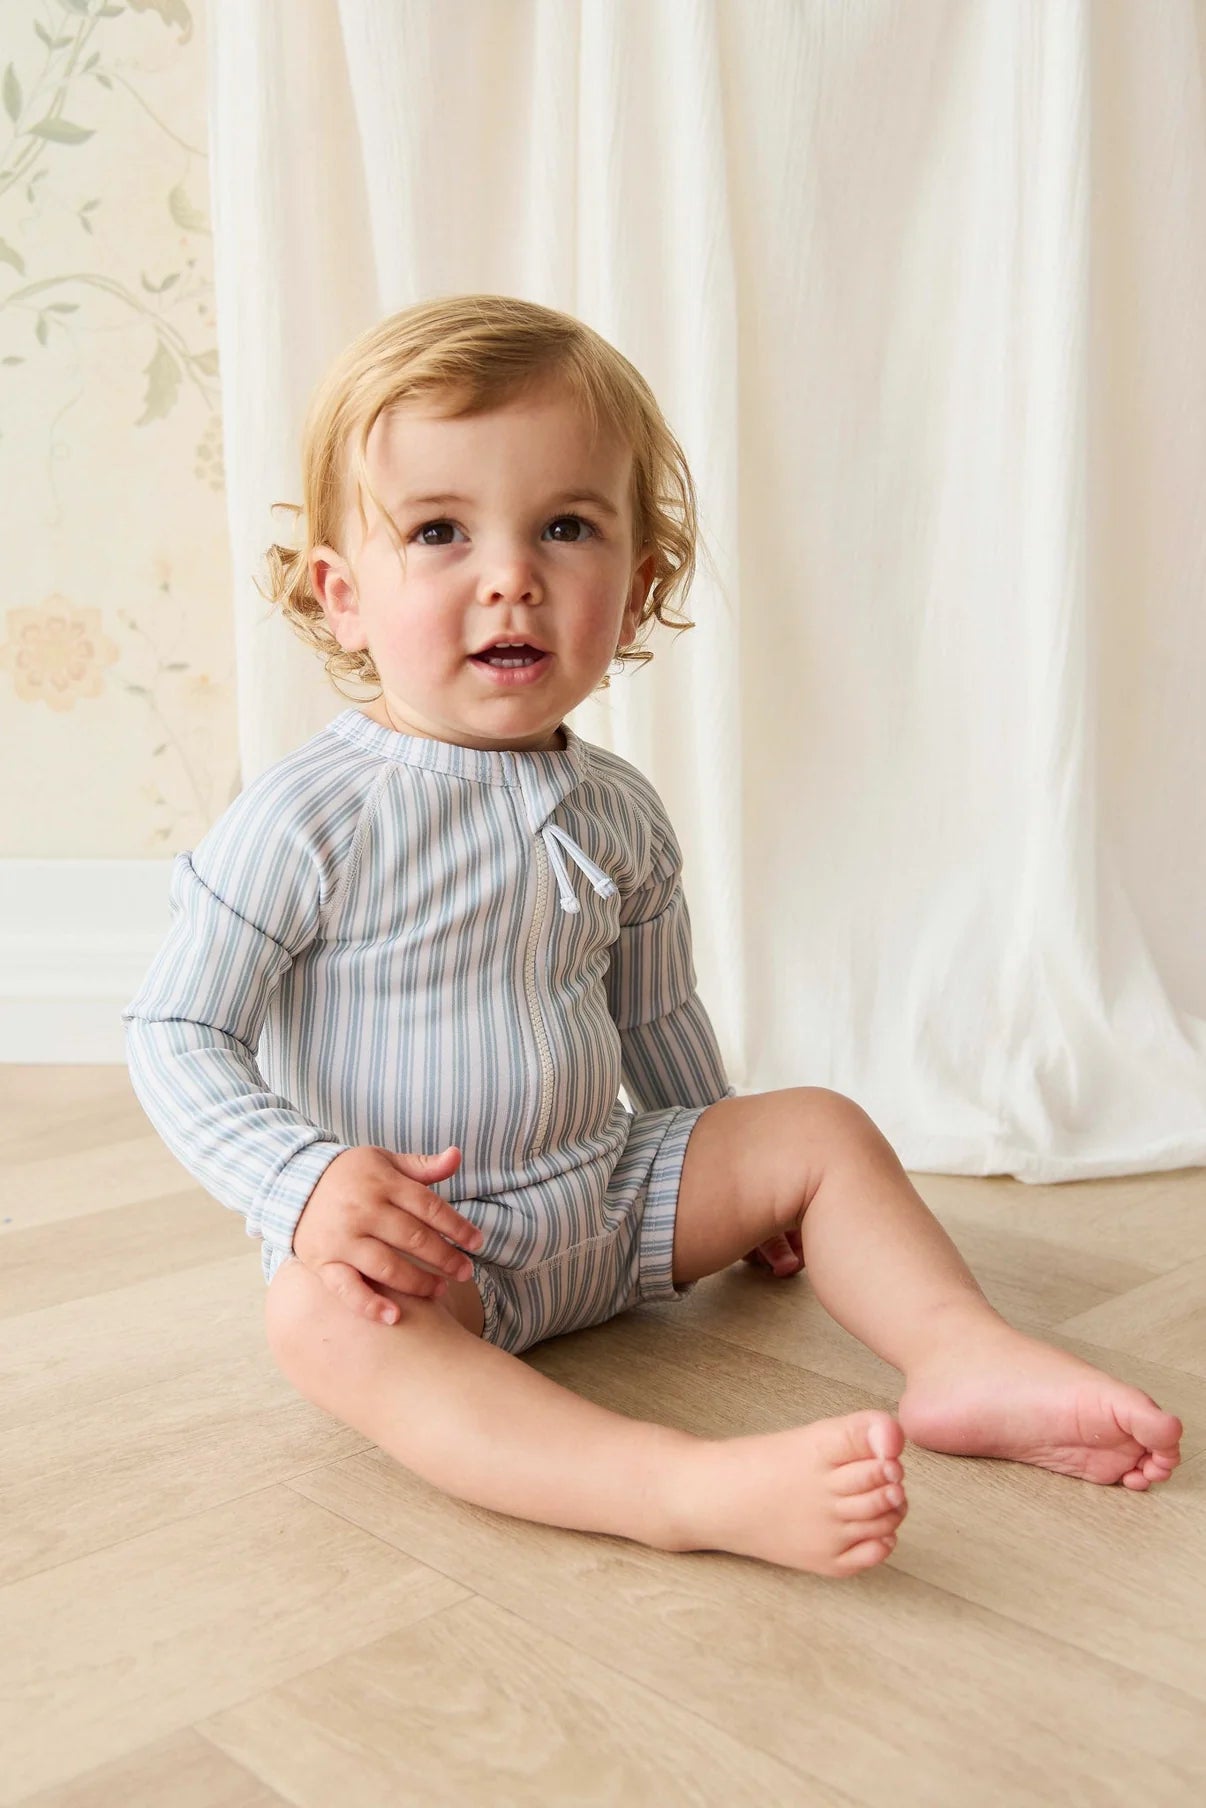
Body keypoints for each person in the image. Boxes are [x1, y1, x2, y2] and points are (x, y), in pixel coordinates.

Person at [123, 293, 1182, 1577]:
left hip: (611, 1197)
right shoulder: (306, 818)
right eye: (441, 531)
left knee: (817, 1128)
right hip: (434, 1245)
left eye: (565, 527)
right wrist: (299, 1184)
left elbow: (653, 1013)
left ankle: (963, 1351)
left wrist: (733, 1166)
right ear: (342, 596)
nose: (510, 575)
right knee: (320, 1321)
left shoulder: (617, 806)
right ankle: (675, 1484)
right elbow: (178, 1027)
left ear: (635, 594)